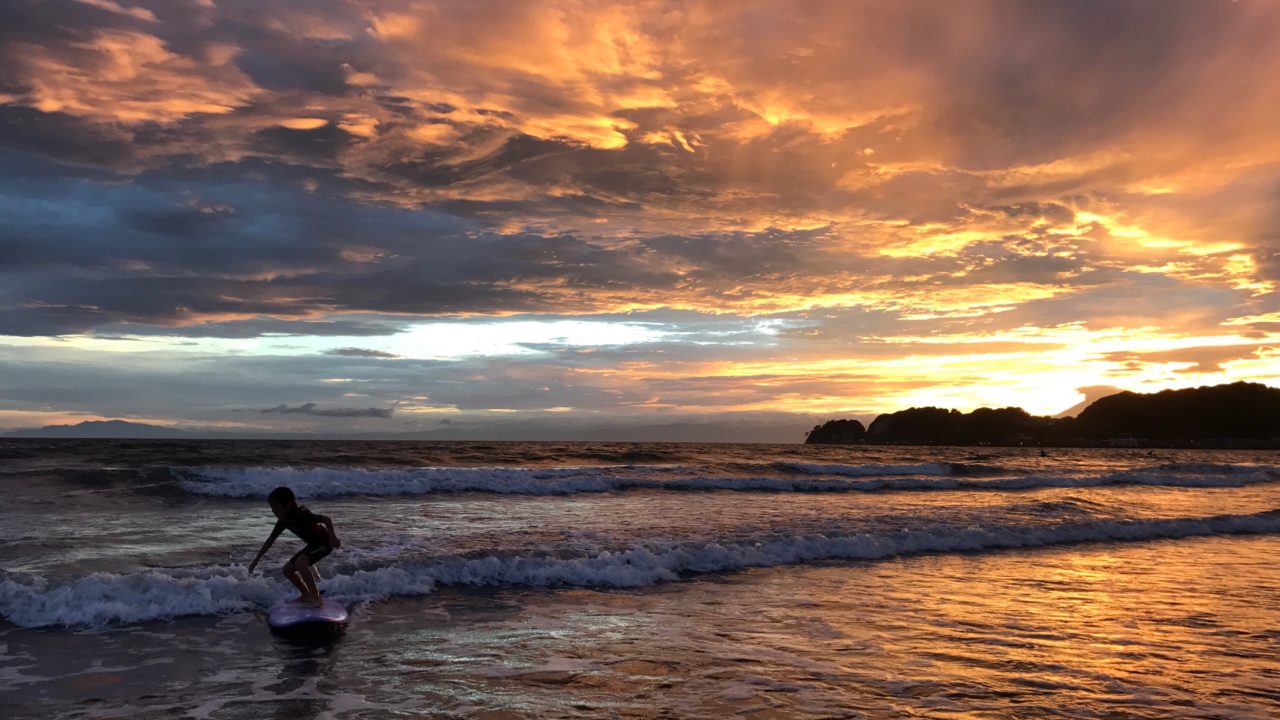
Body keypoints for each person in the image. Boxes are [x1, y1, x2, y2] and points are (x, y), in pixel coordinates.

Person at [248, 486, 341, 607]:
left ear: (288, 505)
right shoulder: (283, 521)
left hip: (324, 543)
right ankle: (306, 594)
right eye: (272, 508)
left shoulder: (300, 514)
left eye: (275, 507)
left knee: (301, 564)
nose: (273, 511)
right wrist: (256, 560)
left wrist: (333, 538)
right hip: (313, 545)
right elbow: (270, 541)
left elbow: (326, 520)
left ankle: (316, 598)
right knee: (287, 570)